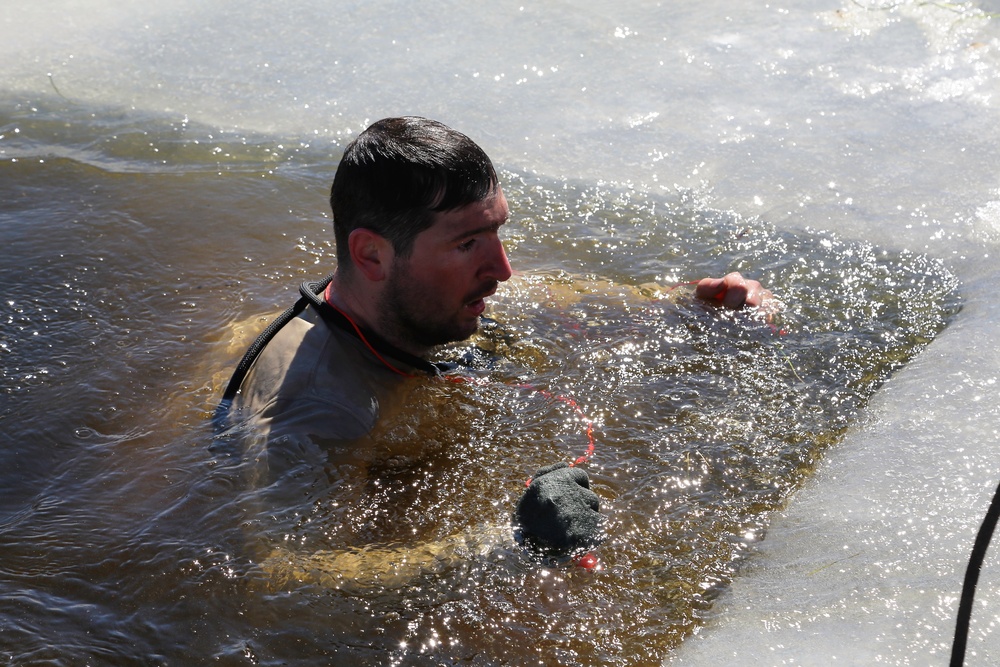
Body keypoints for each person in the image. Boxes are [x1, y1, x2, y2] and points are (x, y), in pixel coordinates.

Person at [222, 116, 774, 580]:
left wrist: (701, 302)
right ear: (371, 256)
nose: (503, 270)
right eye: (467, 244)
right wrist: (506, 541)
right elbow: (283, 571)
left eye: (497, 234)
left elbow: (580, 301)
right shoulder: (318, 408)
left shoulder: (428, 302)